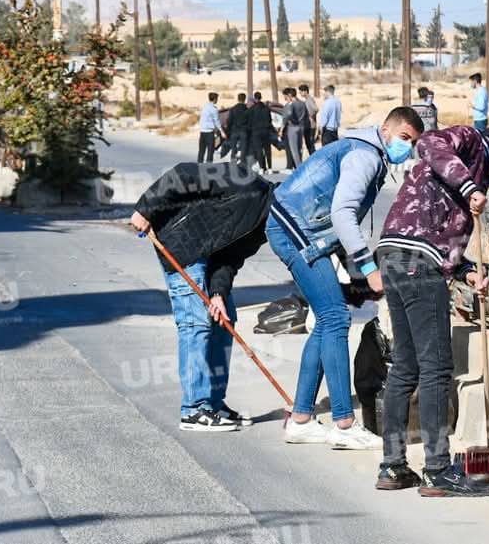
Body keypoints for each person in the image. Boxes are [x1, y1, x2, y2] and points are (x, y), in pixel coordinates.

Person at [375, 122, 489, 497]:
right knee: (437, 368)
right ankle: (437, 470)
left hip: (396, 257)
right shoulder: (473, 143)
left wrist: (466, 270)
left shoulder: (463, 170)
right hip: (417, 263)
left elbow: (436, 229)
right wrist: (470, 187)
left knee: (406, 367)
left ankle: (393, 467)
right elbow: (429, 142)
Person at [267, 107, 425, 449]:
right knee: (336, 317)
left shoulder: (368, 151)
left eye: (412, 143)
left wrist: (351, 270)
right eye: (403, 138)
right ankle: (344, 423)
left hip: (300, 227)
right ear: (385, 129)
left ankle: (301, 420)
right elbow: (342, 212)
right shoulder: (365, 157)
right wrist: (368, 269)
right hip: (296, 228)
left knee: (327, 320)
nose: (406, 148)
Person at [130, 161, 274, 431]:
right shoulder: (245, 181)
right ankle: (194, 410)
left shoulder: (261, 228)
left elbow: (229, 259)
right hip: (179, 243)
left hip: (206, 255)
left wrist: (218, 292)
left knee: (224, 319)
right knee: (196, 323)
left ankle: (213, 404)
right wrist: (145, 207)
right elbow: (182, 174)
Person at [280, 87, 308, 170]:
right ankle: (300, 165)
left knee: (294, 150)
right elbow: (306, 115)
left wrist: (282, 127)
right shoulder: (302, 103)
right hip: (301, 127)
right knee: (299, 148)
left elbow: (287, 115)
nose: (284, 98)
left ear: (289, 95)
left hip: (292, 127)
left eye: (285, 96)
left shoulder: (291, 104)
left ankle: (298, 167)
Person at [249, 91, 275, 171]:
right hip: (266, 131)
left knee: (259, 150)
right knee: (267, 150)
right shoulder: (266, 108)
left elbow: (249, 121)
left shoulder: (252, 109)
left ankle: (261, 168)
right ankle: (270, 168)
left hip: (256, 132)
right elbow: (270, 120)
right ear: (261, 97)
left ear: (254, 98)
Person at [198, 92, 225, 163]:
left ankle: (199, 166)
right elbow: (217, 121)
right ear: (215, 99)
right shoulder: (214, 109)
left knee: (201, 151)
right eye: (217, 99)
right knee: (210, 151)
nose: (217, 100)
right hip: (209, 133)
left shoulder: (205, 107)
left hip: (202, 131)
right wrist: (222, 131)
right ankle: (208, 166)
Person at [226, 93, 250, 164]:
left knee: (233, 148)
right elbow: (249, 121)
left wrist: (228, 131)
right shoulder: (247, 110)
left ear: (238, 99)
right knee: (243, 148)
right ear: (244, 99)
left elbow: (229, 121)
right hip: (244, 131)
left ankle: (233, 161)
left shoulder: (233, 109)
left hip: (234, 131)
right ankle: (242, 162)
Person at [298, 84, 318, 155]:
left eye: (300, 92)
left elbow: (315, 109)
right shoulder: (307, 99)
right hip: (308, 125)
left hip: (311, 125)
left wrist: (310, 116)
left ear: (305, 91)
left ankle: (314, 159)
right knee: (309, 144)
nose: (300, 94)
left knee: (310, 144)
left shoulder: (309, 99)